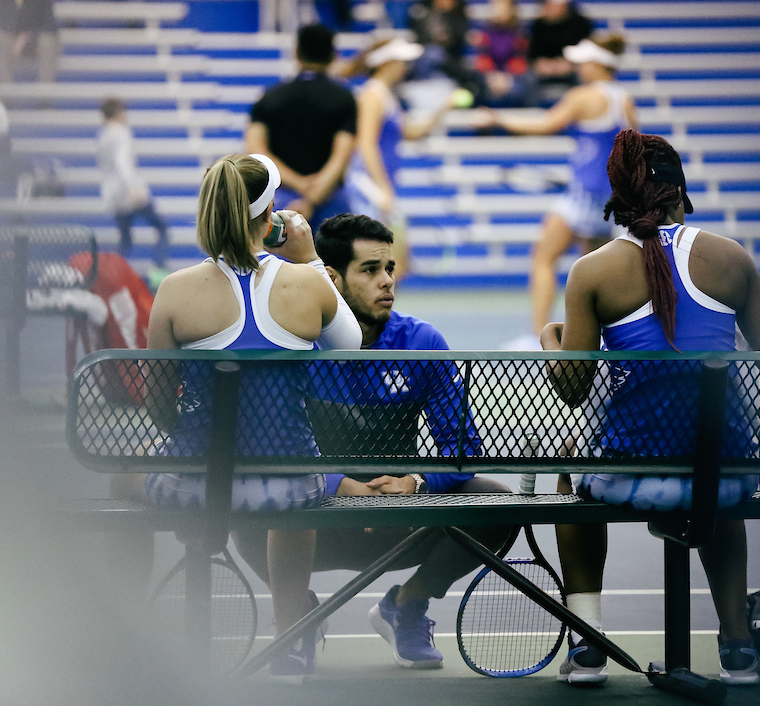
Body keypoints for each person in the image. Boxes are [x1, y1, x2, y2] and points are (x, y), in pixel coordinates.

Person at [541, 129, 760, 687]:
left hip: (631, 474)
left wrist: (551, 340)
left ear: (619, 198)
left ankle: (589, 645)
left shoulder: (593, 271)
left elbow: (573, 390)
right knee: (717, 458)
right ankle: (737, 648)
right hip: (719, 483)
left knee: (567, 465)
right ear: (681, 189)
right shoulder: (731, 257)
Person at [110, 153, 363, 683]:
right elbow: (351, 342)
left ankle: (124, 628)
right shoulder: (307, 284)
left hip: (199, 487)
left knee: (120, 479)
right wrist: (310, 257)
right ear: (270, 216)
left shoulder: (175, 291)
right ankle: (291, 641)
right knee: (295, 469)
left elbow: (158, 406)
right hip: (290, 490)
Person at [233, 213, 511, 671]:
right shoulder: (295, 344)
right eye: (370, 270)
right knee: (244, 514)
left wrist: (417, 482)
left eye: (390, 269)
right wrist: (335, 483)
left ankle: (406, 604)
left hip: (400, 525)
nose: (386, 282)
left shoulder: (422, 341)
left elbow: (461, 445)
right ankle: (297, 612)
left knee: (496, 504)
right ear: (332, 280)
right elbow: (264, 444)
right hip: (313, 523)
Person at [483, 36, 638, 345]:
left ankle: (535, 338)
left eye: (583, 62)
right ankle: (596, 340)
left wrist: (498, 118)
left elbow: (545, 124)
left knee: (542, 257)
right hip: (612, 201)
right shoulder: (625, 100)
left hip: (583, 197)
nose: (578, 67)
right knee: (593, 274)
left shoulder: (584, 96)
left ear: (597, 65)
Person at [341, 37, 454, 280]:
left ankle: (377, 317)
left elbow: (410, 132)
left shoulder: (385, 95)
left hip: (378, 188)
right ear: (387, 63)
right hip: (369, 187)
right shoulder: (372, 95)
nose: (406, 66)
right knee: (389, 264)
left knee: (395, 264)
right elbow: (366, 144)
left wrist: (444, 108)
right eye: (401, 61)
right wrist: (383, 189)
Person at [245, 23, 357, 224]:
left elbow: (257, 151)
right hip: (330, 200)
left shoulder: (269, 97)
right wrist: (312, 198)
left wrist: (299, 184)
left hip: (281, 199)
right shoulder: (344, 99)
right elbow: (342, 156)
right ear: (333, 55)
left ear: (296, 53)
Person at [97, 97, 169, 276]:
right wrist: (133, 189)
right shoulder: (120, 134)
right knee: (162, 229)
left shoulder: (103, 136)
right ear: (119, 113)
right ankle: (158, 273)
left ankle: (114, 275)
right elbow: (123, 164)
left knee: (125, 239)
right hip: (129, 193)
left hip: (114, 195)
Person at [527, 0, 594, 104]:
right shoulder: (538, 25)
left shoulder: (581, 24)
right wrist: (541, 64)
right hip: (545, 70)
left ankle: (582, 109)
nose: (546, 6)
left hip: (572, 69)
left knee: (584, 76)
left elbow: (588, 53)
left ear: (563, 4)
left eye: (549, 2)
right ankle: (532, 112)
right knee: (528, 79)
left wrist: (571, 64)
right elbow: (531, 54)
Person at [0, 0, 59, 85]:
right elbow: (6, 25)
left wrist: (27, 36)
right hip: (14, 42)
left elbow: (49, 24)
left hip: (37, 40)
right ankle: (6, 93)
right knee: (2, 39)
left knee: (48, 41)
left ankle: (45, 95)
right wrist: (18, 1)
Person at [406, 0, 473, 91]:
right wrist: (434, 40)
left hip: (449, 61)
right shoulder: (425, 15)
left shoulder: (459, 18)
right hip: (426, 57)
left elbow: (458, 40)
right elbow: (418, 38)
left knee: (436, 54)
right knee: (431, 53)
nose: (444, 1)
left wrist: (447, 40)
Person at [470, 0, 530, 107]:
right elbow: (483, 59)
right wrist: (492, 76)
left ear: (511, 9)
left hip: (512, 77)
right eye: (496, 6)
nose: (499, 10)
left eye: (503, 6)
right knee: (474, 84)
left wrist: (506, 78)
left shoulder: (520, 33)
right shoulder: (485, 32)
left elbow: (519, 60)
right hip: (489, 77)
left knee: (526, 83)